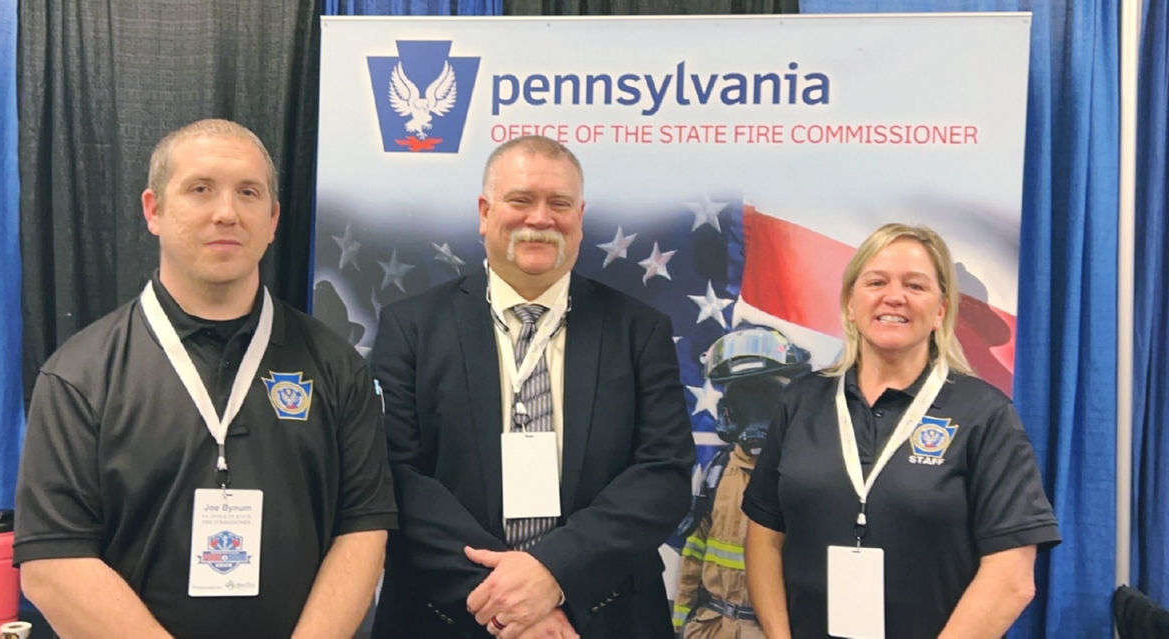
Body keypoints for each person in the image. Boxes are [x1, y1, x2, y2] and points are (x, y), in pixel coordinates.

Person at [13, 119, 397, 639]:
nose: (226, 213)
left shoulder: (336, 365)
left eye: (248, 193)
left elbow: (364, 530)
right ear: (154, 210)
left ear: (273, 218)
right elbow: (52, 565)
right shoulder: (79, 375)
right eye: (200, 189)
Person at [369, 135, 695, 638]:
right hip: (445, 617)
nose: (540, 219)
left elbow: (663, 475)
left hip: (603, 617)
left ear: (580, 217)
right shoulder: (410, 327)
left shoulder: (639, 331)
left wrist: (553, 575)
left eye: (559, 204)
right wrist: (506, 601)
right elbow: (395, 477)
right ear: (484, 211)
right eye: (521, 200)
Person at [742, 223, 1060, 638]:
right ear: (851, 304)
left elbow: (1012, 575)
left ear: (941, 310)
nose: (894, 296)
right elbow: (764, 537)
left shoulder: (985, 414)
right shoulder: (801, 401)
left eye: (916, 285)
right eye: (876, 282)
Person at [672, 325, 809, 639]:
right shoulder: (719, 473)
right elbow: (694, 554)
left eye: (765, 398)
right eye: (745, 401)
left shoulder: (808, 479)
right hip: (710, 627)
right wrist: (680, 625)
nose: (755, 415)